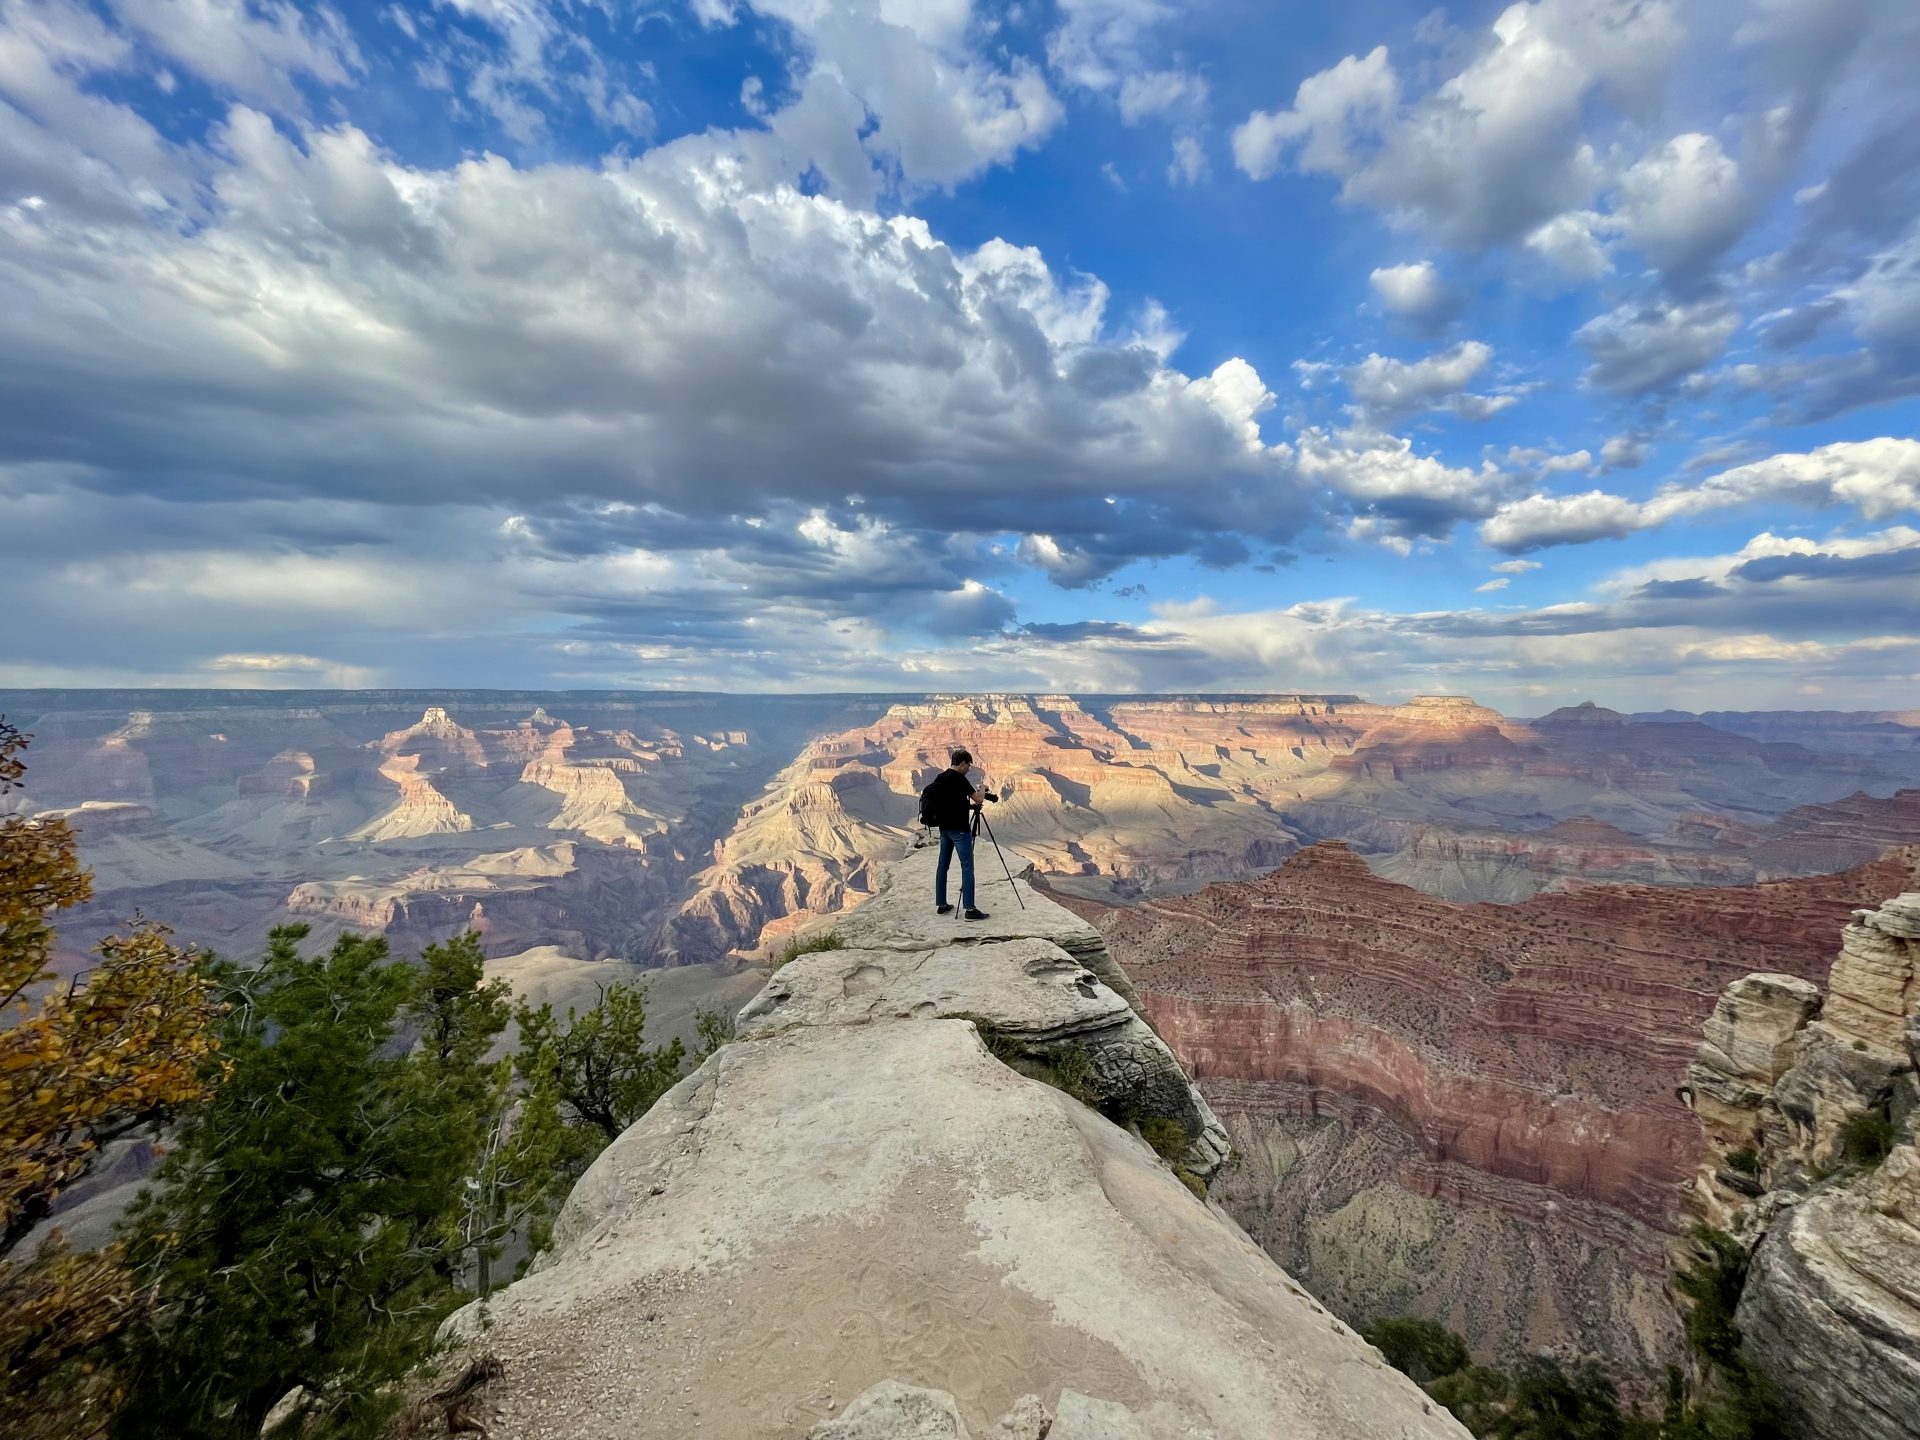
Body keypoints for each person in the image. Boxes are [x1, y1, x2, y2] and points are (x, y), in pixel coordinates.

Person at [924, 747, 989, 919]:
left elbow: (950, 801)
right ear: (962, 763)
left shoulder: (941, 777)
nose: (968, 769)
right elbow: (979, 799)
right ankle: (969, 909)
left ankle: (942, 904)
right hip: (960, 830)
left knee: (942, 866)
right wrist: (982, 787)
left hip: (944, 829)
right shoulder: (959, 780)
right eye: (968, 766)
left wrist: (967, 806)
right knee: (967, 867)